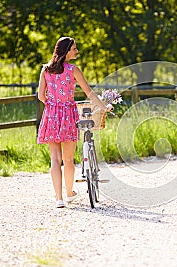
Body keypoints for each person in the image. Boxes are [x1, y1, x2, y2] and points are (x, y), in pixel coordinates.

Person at [37, 36, 112, 208]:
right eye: (74, 49)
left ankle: (59, 198)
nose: (77, 51)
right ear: (66, 51)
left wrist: (52, 105)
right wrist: (104, 107)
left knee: (55, 159)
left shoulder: (46, 70)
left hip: (51, 115)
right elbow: (90, 94)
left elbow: (41, 96)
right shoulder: (73, 70)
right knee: (68, 159)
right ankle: (69, 193)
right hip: (68, 115)